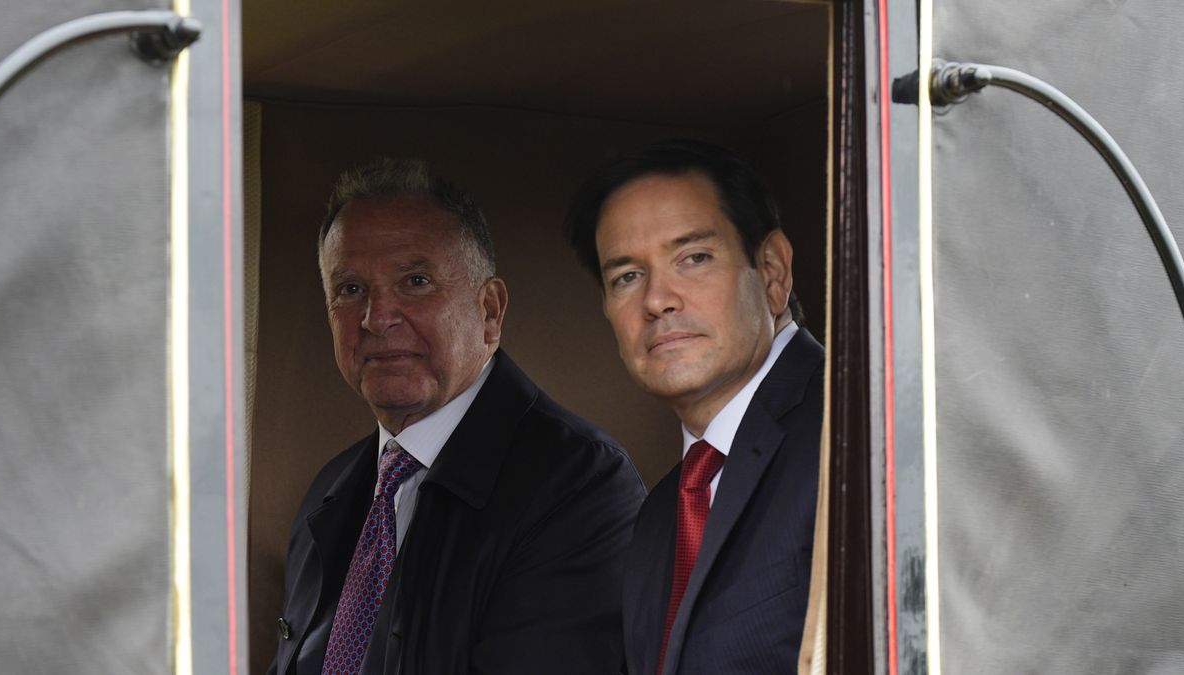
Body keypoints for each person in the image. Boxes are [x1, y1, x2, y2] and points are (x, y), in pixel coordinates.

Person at [269, 158, 646, 675]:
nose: (376, 318)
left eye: (416, 281)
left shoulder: (581, 486)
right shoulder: (332, 490)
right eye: (351, 289)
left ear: (489, 311)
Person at [565, 138, 823, 675]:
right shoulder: (660, 517)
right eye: (627, 277)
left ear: (772, 271)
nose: (657, 300)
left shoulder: (853, 434)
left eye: (694, 258)